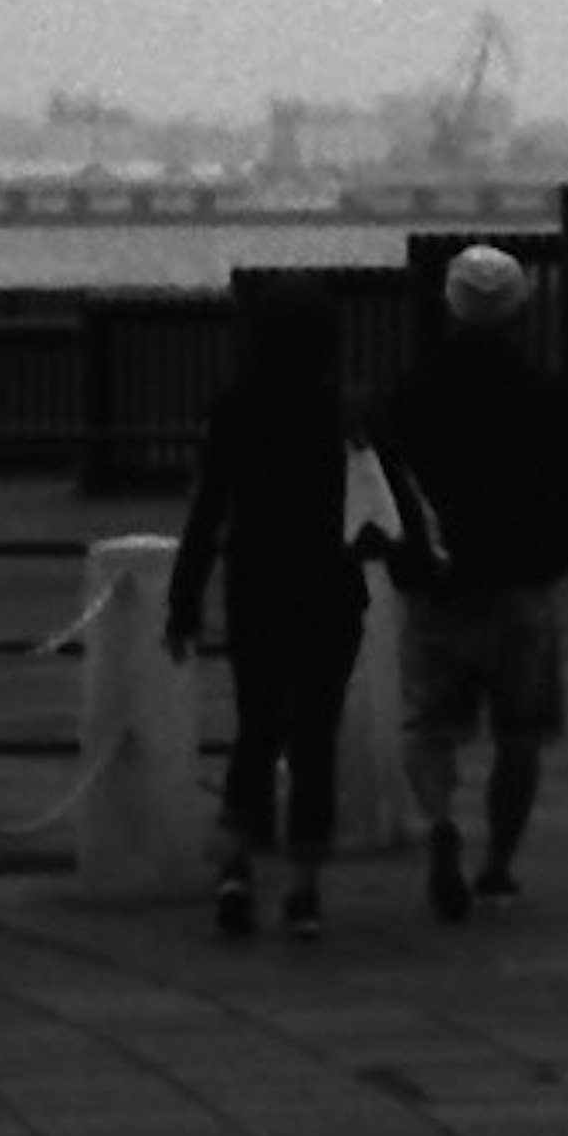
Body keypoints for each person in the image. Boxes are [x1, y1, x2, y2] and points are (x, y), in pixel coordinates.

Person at [366, 237, 568, 919]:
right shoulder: (545, 393)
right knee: (520, 733)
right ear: (521, 310)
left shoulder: (412, 393)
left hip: (439, 585)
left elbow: (386, 485)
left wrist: (407, 563)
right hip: (520, 586)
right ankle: (497, 868)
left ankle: (439, 824)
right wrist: (549, 561)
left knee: (428, 726)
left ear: (449, 309)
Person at [165, 279, 373, 942]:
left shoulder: (236, 408)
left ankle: (236, 871)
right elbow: (378, 499)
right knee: (314, 735)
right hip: (330, 586)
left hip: (256, 584)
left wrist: (183, 601)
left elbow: (207, 513)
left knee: (256, 729)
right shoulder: (341, 410)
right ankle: (305, 891)